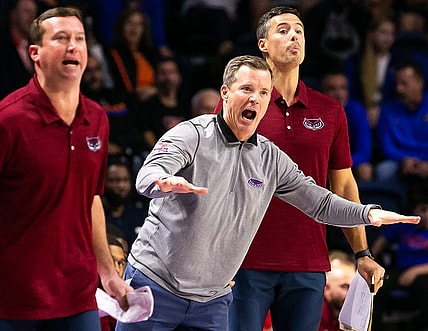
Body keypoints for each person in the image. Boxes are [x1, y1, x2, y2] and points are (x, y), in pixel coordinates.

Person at [115, 55, 419, 331]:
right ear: (225, 93)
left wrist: (368, 213)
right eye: (247, 89)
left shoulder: (270, 158)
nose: (256, 99)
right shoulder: (192, 134)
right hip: (155, 285)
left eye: (263, 93)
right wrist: (165, 182)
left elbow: (319, 202)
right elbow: (147, 174)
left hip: (211, 301)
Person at [213, 7, 385, 331]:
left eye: (299, 30)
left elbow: (344, 186)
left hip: (308, 263)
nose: (294, 35)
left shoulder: (330, 110)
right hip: (245, 261)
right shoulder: (240, 102)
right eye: (283, 30)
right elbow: (217, 175)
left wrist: (362, 251)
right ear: (262, 44)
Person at [0, 7, 133, 331]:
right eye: (61, 39)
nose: (73, 46)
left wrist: (109, 275)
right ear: (35, 53)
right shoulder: (8, 120)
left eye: (79, 39)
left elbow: (92, 200)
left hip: (78, 295)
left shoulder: (97, 119)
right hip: (15, 298)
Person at [371, 185, 428, 330]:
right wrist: (369, 258)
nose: (425, 214)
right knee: (376, 287)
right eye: (422, 209)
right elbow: (379, 244)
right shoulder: (403, 227)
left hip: (423, 273)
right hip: (398, 270)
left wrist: (415, 272)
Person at [375, 60, 428, 185]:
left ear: (419, 83)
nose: (399, 89)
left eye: (404, 84)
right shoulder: (388, 110)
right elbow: (387, 146)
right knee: (383, 171)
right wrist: (404, 159)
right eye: (397, 84)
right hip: (400, 161)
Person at [320, 71, 373, 182]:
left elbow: (364, 151)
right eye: (332, 89)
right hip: (323, 165)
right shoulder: (314, 112)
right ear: (323, 92)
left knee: (365, 170)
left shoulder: (357, 110)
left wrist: (339, 165)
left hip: (348, 163)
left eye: (343, 88)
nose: (339, 94)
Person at [102, 157, 147, 249]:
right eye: (115, 180)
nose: (121, 186)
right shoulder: (96, 215)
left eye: (125, 180)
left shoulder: (141, 215)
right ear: (103, 182)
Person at [0, 0, 38, 100]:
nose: (32, 18)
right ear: (13, 14)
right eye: (26, 12)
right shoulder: (3, 48)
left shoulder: (37, 48)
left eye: (34, 13)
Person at [318, 250, 357, 331]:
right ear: (326, 288)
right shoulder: (314, 314)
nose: (351, 294)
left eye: (352, 288)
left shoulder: (342, 314)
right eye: (344, 287)